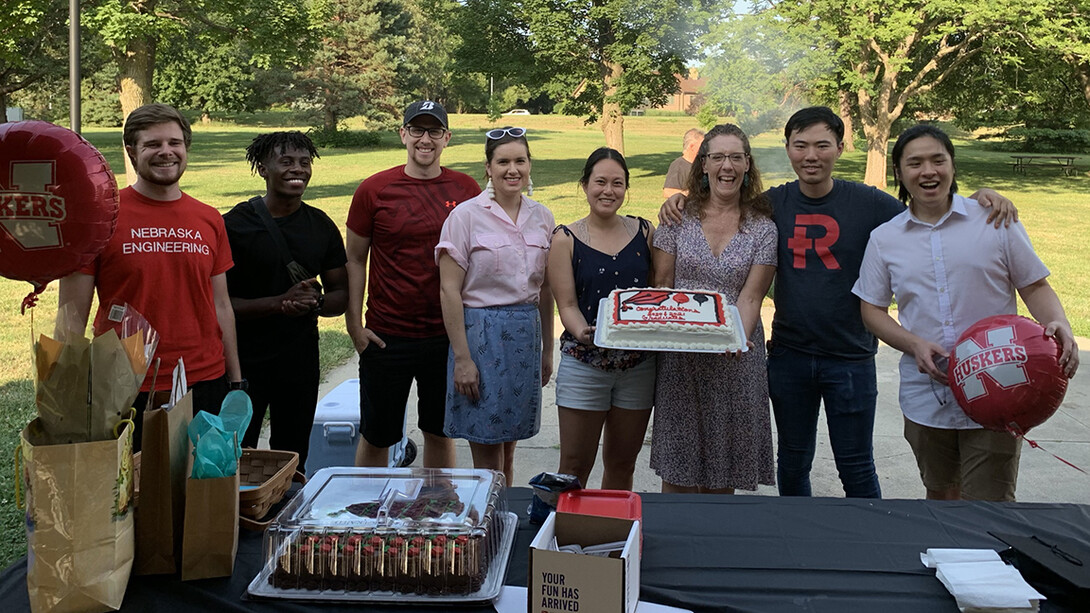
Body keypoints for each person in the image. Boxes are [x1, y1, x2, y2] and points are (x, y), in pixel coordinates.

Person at [659, 106, 1016, 499]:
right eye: (801, 146)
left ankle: (868, 545)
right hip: (791, 355)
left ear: (840, 148)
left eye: (822, 145)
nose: (811, 155)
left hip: (850, 356)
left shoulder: (869, 202)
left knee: (857, 465)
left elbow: (926, 212)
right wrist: (677, 202)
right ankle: (798, 541)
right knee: (793, 462)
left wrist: (978, 198)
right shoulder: (769, 205)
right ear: (789, 149)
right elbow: (721, 205)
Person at [852, 124, 1079, 501]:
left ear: (953, 166)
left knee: (991, 506)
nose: (928, 171)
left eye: (938, 160)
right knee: (940, 497)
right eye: (915, 163)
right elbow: (872, 310)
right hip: (928, 395)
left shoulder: (995, 220)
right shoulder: (885, 238)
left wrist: (1059, 322)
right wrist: (914, 346)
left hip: (1002, 389)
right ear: (900, 173)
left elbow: (1034, 285)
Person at [56, 103, 242, 449]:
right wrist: (63, 390)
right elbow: (71, 313)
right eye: (153, 144)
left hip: (203, 378)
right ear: (131, 151)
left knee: (199, 491)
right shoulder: (100, 219)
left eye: (175, 143)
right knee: (129, 493)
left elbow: (221, 306)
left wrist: (235, 379)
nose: (166, 152)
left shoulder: (209, 219)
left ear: (186, 148)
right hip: (125, 381)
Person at [345, 100, 481, 468]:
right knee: (377, 434)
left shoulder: (467, 189)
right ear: (403, 134)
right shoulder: (374, 190)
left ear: (447, 138)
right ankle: (365, 514)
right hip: (387, 336)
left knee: (440, 431)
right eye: (417, 130)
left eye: (434, 131)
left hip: (445, 335)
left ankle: (437, 513)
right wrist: (355, 325)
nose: (426, 139)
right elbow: (355, 259)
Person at [651, 124, 777, 493]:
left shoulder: (763, 229)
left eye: (736, 157)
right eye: (718, 157)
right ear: (702, 165)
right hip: (682, 357)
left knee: (724, 474)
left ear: (748, 165)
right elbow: (661, 285)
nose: (727, 166)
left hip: (737, 355)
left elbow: (752, 296)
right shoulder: (676, 218)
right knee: (678, 470)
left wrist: (734, 339)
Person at [436, 126, 555, 486]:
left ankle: (503, 515)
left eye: (520, 160)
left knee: (509, 448)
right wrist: (462, 358)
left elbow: (545, 288)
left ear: (530, 164)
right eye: (502, 161)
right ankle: (484, 524)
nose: (512, 169)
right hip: (480, 336)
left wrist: (547, 350)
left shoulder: (542, 217)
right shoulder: (466, 217)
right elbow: (448, 291)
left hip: (523, 335)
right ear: (488, 167)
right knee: (486, 452)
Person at [224, 131, 348, 470]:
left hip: (299, 360)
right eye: (287, 162)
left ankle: (283, 516)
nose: (298, 169)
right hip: (243, 362)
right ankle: (239, 519)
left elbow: (341, 293)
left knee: (293, 457)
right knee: (236, 454)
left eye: (304, 163)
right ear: (263, 169)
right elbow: (219, 305)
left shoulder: (320, 225)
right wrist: (279, 303)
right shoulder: (235, 226)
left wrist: (316, 305)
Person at [548, 147, 656, 490]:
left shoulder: (645, 232)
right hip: (585, 364)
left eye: (617, 183)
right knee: (574, 467)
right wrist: (584, 332)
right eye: (600, 182)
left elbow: (657, 292)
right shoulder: (565, 238)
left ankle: (610, 535)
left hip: (637, 368)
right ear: (585, 185)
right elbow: (566, 304)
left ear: (626, 188)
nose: (608, 191)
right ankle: (566, 536)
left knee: (622, 465)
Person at [662, 128, 704, 199]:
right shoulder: (678, 165)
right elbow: (668, 191)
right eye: (702, 146)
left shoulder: (704, 164)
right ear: (692, 146)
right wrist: (692, 193)